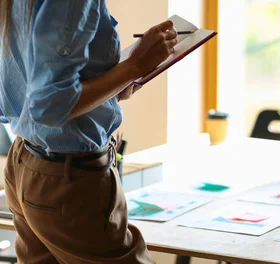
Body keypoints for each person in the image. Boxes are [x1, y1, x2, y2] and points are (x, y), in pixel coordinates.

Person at [0, 0, 177, 262]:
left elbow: (36, 87)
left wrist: (116, 84)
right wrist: (135, 65)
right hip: (69, 181)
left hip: (27, 162)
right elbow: (50, 106)